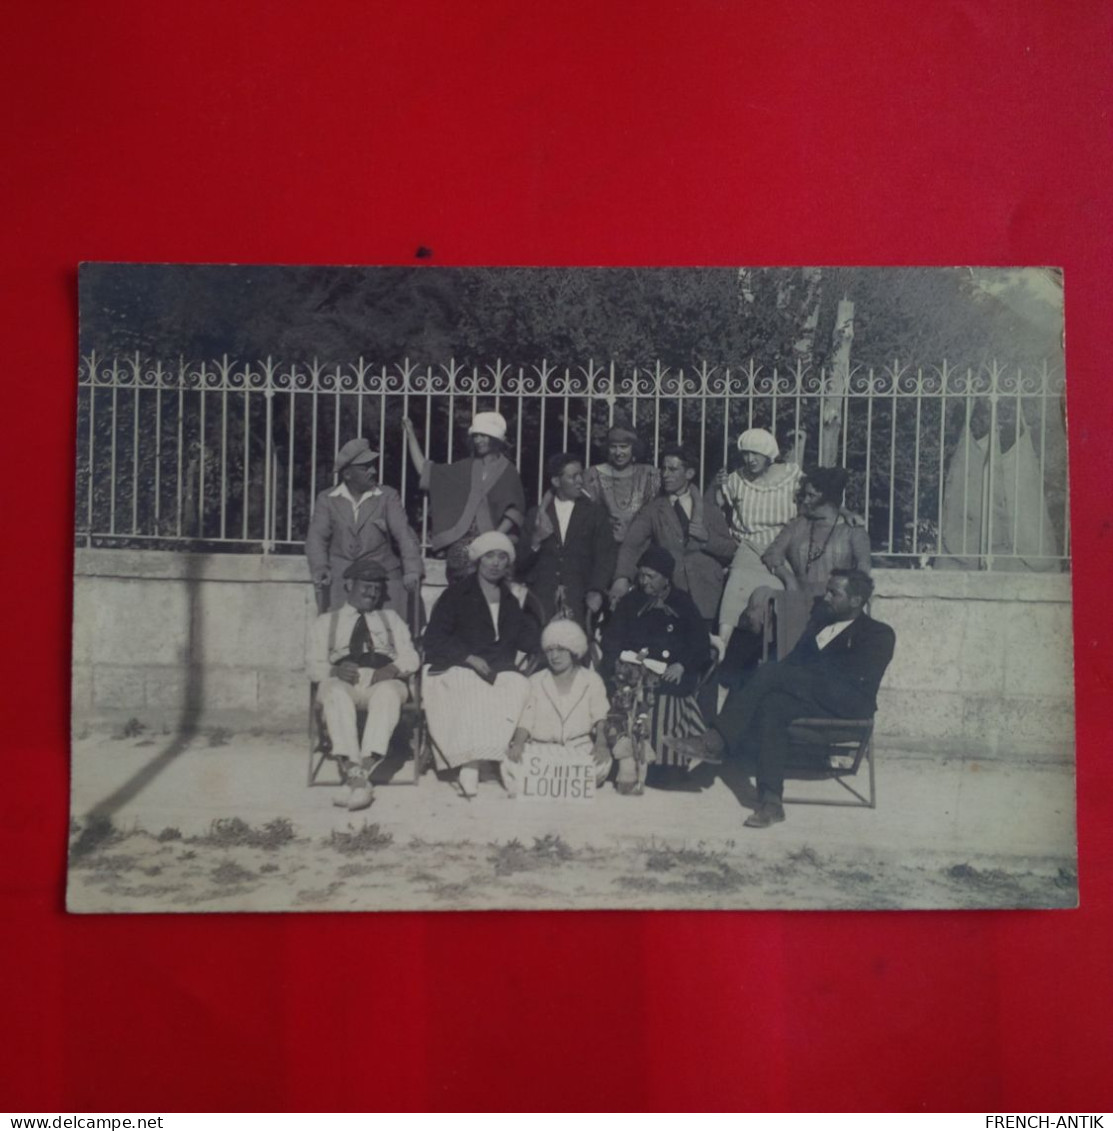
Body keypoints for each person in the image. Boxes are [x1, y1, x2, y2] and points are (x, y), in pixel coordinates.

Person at [667, 570, 895, 828]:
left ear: (856, 601)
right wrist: (787, 677)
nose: (826, 597)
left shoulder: (878, 634)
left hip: (847, 705)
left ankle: (715, 741)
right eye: (827, 590)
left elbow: (856, 680)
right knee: (772, 704)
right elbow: (794, 663)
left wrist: (791, 676)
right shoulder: (821, 625)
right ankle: (771, 801)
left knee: (770, 672)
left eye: (834, 593)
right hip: (812, 699)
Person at [421, 531, 541, 799]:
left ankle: (498, 759)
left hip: (498, 666)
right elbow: (434, 639)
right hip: (457, 665)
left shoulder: (510, 598)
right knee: (470, 686)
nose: (496, 563)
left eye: (502, 557)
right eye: (490, 556)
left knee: (518, 685)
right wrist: (468, 657)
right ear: (478, 560)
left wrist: (550, 635)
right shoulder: (456, 594)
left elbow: (524, 637)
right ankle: (470, 764)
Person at [306, 557, 420, 811]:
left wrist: (393, 668)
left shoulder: (390, 618)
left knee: (389, 695)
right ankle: (359, 779)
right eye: (366, 585)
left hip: (383, 678)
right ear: (349, 585)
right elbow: (312, 665)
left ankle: (358, 774)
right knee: (334, 694)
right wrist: (335, 669)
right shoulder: (326, 621)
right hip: (342, 679)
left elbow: (411, 656)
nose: (372, 592)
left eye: (377, 587)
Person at [601, 546, 712, 789]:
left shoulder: (682, 602)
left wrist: (683, 664)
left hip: (669, 673)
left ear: (665, 578)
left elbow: (700, 642)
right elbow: (612, 638)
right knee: (628, 695)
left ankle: (668, 765)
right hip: (634, 670)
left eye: (651, 576)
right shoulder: (631, 602)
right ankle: (629, 761)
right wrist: (621, 660)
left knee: (668, 698)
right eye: (641, 575)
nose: (644, 581)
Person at [611, 444, 736, 626]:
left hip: (707, 592)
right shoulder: (653, 510)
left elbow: (730, 549)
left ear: (689, 473)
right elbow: (631, 545)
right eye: (663, 469)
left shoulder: (709, 509)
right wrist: (622, 578)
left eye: (672, 469)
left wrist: (706, 539)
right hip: (671, 594)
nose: (665, 474)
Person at [759, 466, 873, 654]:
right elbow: (771, 554)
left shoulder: (853, 530)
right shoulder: (798, 525)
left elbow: (863, 572)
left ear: (828, 501)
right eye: (805, 495)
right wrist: (788, 579)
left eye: (811, 496)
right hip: (798, 598)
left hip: (835, 604)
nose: (804, 500)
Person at [305, 437, 423, 615]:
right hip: (341, 581)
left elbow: (403, 534)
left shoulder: (387, 497)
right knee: (340, 635)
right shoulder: (327, 499)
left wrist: (412, 570)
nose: (373, 471)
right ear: (347, 474)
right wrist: (320, 567)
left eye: (373, 465)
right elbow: (316, 538)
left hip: (382, 580)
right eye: (365, 467)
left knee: (387, 635)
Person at [402, 411, 526, 576]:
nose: (478, 440)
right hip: (463, 544)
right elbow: (426, 471)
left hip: (495, 542)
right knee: (461, 572)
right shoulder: (464, 468)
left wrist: (494, 539)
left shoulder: (509, 471)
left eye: (484, 435)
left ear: (495, 438)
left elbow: (514, 511)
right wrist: (410, 434)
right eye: (476, 436)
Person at [712, 427, 805, 645]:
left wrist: (846, 513)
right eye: (745, 454)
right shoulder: (737, 480)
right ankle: (721, 644)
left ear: (769, 454)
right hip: (749, 546)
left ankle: (782, 650)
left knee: (780, 593)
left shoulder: (793, 475)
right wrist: (716, 486)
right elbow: (715, 506)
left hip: (783, 548)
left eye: (756, 453)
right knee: (736, 584)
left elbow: (817, 498)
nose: (750, 459)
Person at [505, 620, 613, 795]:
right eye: (549, 651)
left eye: (561, 650)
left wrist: (601, 744)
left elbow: (601, 716)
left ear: (573, 651)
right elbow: (526, 719)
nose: (554, 656)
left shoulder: (592, 680)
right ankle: (559, 783)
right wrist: (518, 744)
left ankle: (548, 783)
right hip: (541, 749)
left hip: (578, 750)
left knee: (601, 764)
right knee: (510, 762)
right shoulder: (535, 681)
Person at [518, 452, 615, 626]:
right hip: (542, 603)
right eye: (573, 477)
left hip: (580, 600)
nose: (580, 481)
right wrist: (536, 540)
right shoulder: (536, 515)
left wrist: (597, 590)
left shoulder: (595, 514)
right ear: (556, 481)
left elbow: (605, 557)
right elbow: (520, 561)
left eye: (581, 475)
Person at [582, 422, 661, 543]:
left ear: (634, 448)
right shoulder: (592, 474)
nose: (618, 452)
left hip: (641, 543)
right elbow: (563, 488)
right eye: (613, 447)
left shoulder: (649, 474)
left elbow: (682, 487)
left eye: (624, 446)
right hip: (603, 542)